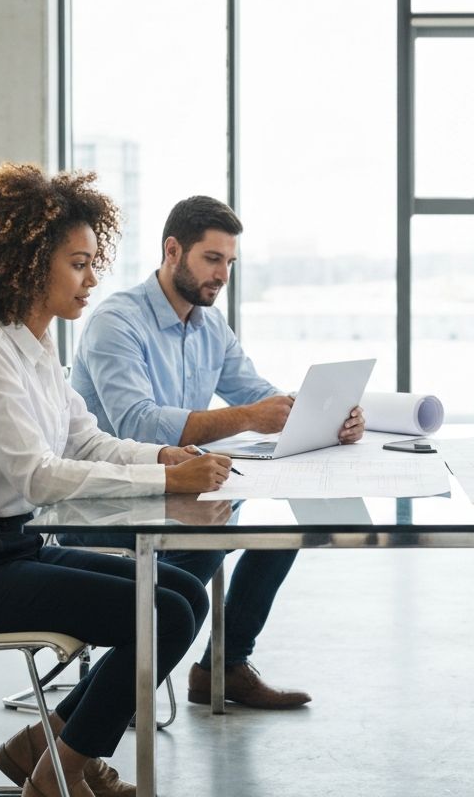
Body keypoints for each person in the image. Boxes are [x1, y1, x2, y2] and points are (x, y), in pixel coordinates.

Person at [0, 163, 233, 797]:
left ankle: (50, 746)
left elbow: (84, 440)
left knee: (183, 597)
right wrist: (168, 486)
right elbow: (38, 475)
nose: (91, 279)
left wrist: (163, 459)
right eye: (78, 264)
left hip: (16, 548)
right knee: (161, 613)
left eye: (92, 262)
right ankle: (60, 774)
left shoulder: (34, 347)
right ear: (30, 265)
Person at [66, 195, 365, 710]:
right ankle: (122, 685)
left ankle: (221, 668)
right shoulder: (117, 322)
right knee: (205, 545)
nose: (223, 274)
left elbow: (256, 393)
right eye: (212, 259)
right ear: (173, 250)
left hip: (182, 492)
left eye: (230, 263)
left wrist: (326, 416)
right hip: (107, 501)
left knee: (284, 532)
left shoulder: (210, 327)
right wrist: (251, 417)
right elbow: (135, 424)